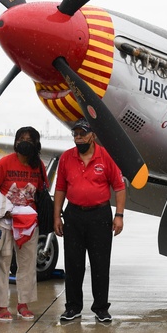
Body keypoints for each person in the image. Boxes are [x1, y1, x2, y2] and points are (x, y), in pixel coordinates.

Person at [53, 120, 126, 322]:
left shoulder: (105, 156)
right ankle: (73, 307)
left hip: (99, 216)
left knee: (100, 264)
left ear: (92, 135)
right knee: (73, 263)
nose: (79, 138)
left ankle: (101, 308)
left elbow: (119, 187)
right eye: (75, 134)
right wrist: (56, 215)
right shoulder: (67, 157)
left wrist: (119, 215)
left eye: (83, 134)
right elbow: (60, 188)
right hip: (74, 215)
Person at [0, 126, 48, 322]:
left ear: (37, 144)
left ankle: (24, 304)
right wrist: (0, 210)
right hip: (6, 221)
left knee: (28, 264)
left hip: (29, 224)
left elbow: (41, 190)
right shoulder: (5, 163)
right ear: (15, 142)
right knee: (1, 262)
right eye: (21, 138)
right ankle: (1, 305)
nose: (25, 142)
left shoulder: (39, 166)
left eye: (30, 139)